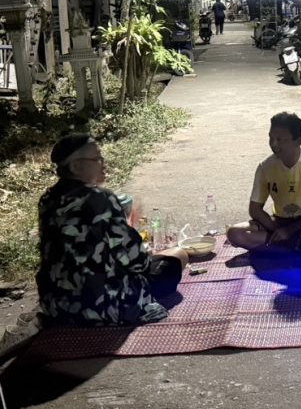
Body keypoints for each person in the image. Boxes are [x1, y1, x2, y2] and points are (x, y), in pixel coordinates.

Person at [37, 133, 190, 327]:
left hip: (58, 308)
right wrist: (137, 238)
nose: (103, 163)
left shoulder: (47, 200)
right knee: (178, 255)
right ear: (75, 166)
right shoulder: (101, 199)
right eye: (96, 159)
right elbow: (137, 262)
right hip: (105, 307)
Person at [227, 112, 301, 251]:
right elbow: (255, 209)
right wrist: (277, 230)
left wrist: (290, 231)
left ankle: (282, 246)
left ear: (298, 141)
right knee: (235, 233)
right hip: (279, 222)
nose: (273, 144)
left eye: (280, 139)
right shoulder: (265, 167)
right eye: (271, 138)